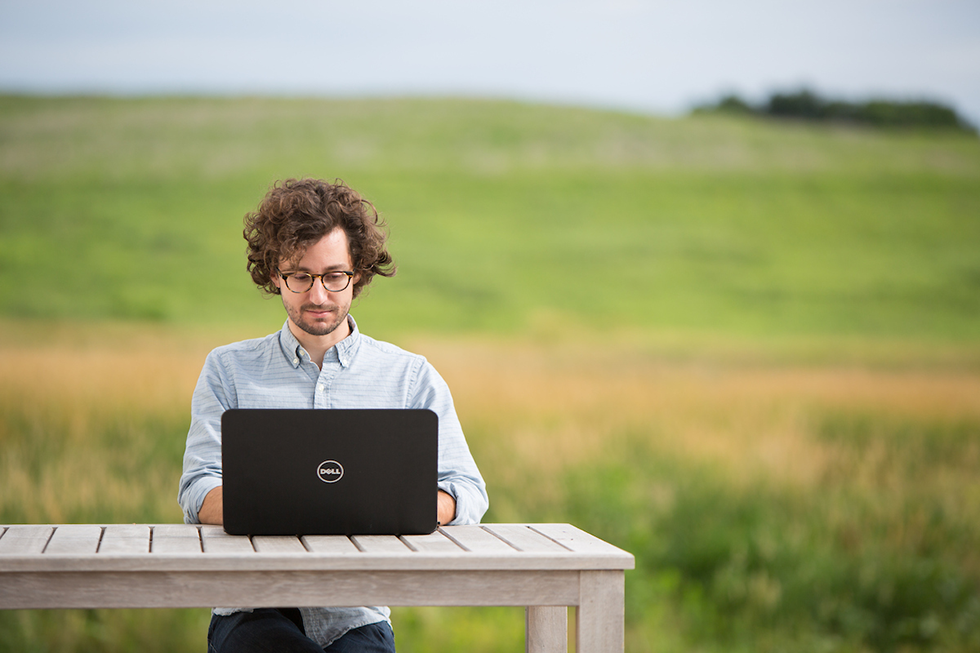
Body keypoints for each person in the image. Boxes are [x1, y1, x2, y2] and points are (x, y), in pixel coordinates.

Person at [178, 178, 489, 652]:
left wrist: (402, 505)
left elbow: (467, 490)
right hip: (249, 611)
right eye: (299, 276)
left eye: (333, 275)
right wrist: (308, 505)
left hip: (357, 618)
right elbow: (198, 488)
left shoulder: (409, 377)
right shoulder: (228, 369)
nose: (318, 295)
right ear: (273, 275)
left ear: (359, 273)